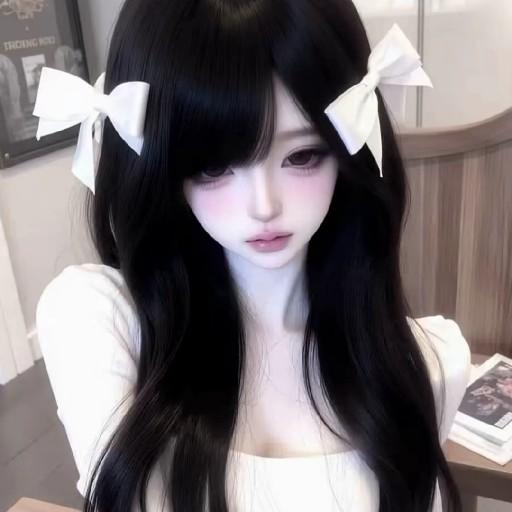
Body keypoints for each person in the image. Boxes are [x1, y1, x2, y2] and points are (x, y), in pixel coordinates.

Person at [35, 0, 472, 511]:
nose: (264, 206)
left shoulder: (429, 364)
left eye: (303, 155)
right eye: (213, 167)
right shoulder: (95, 320)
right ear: (160, 165)